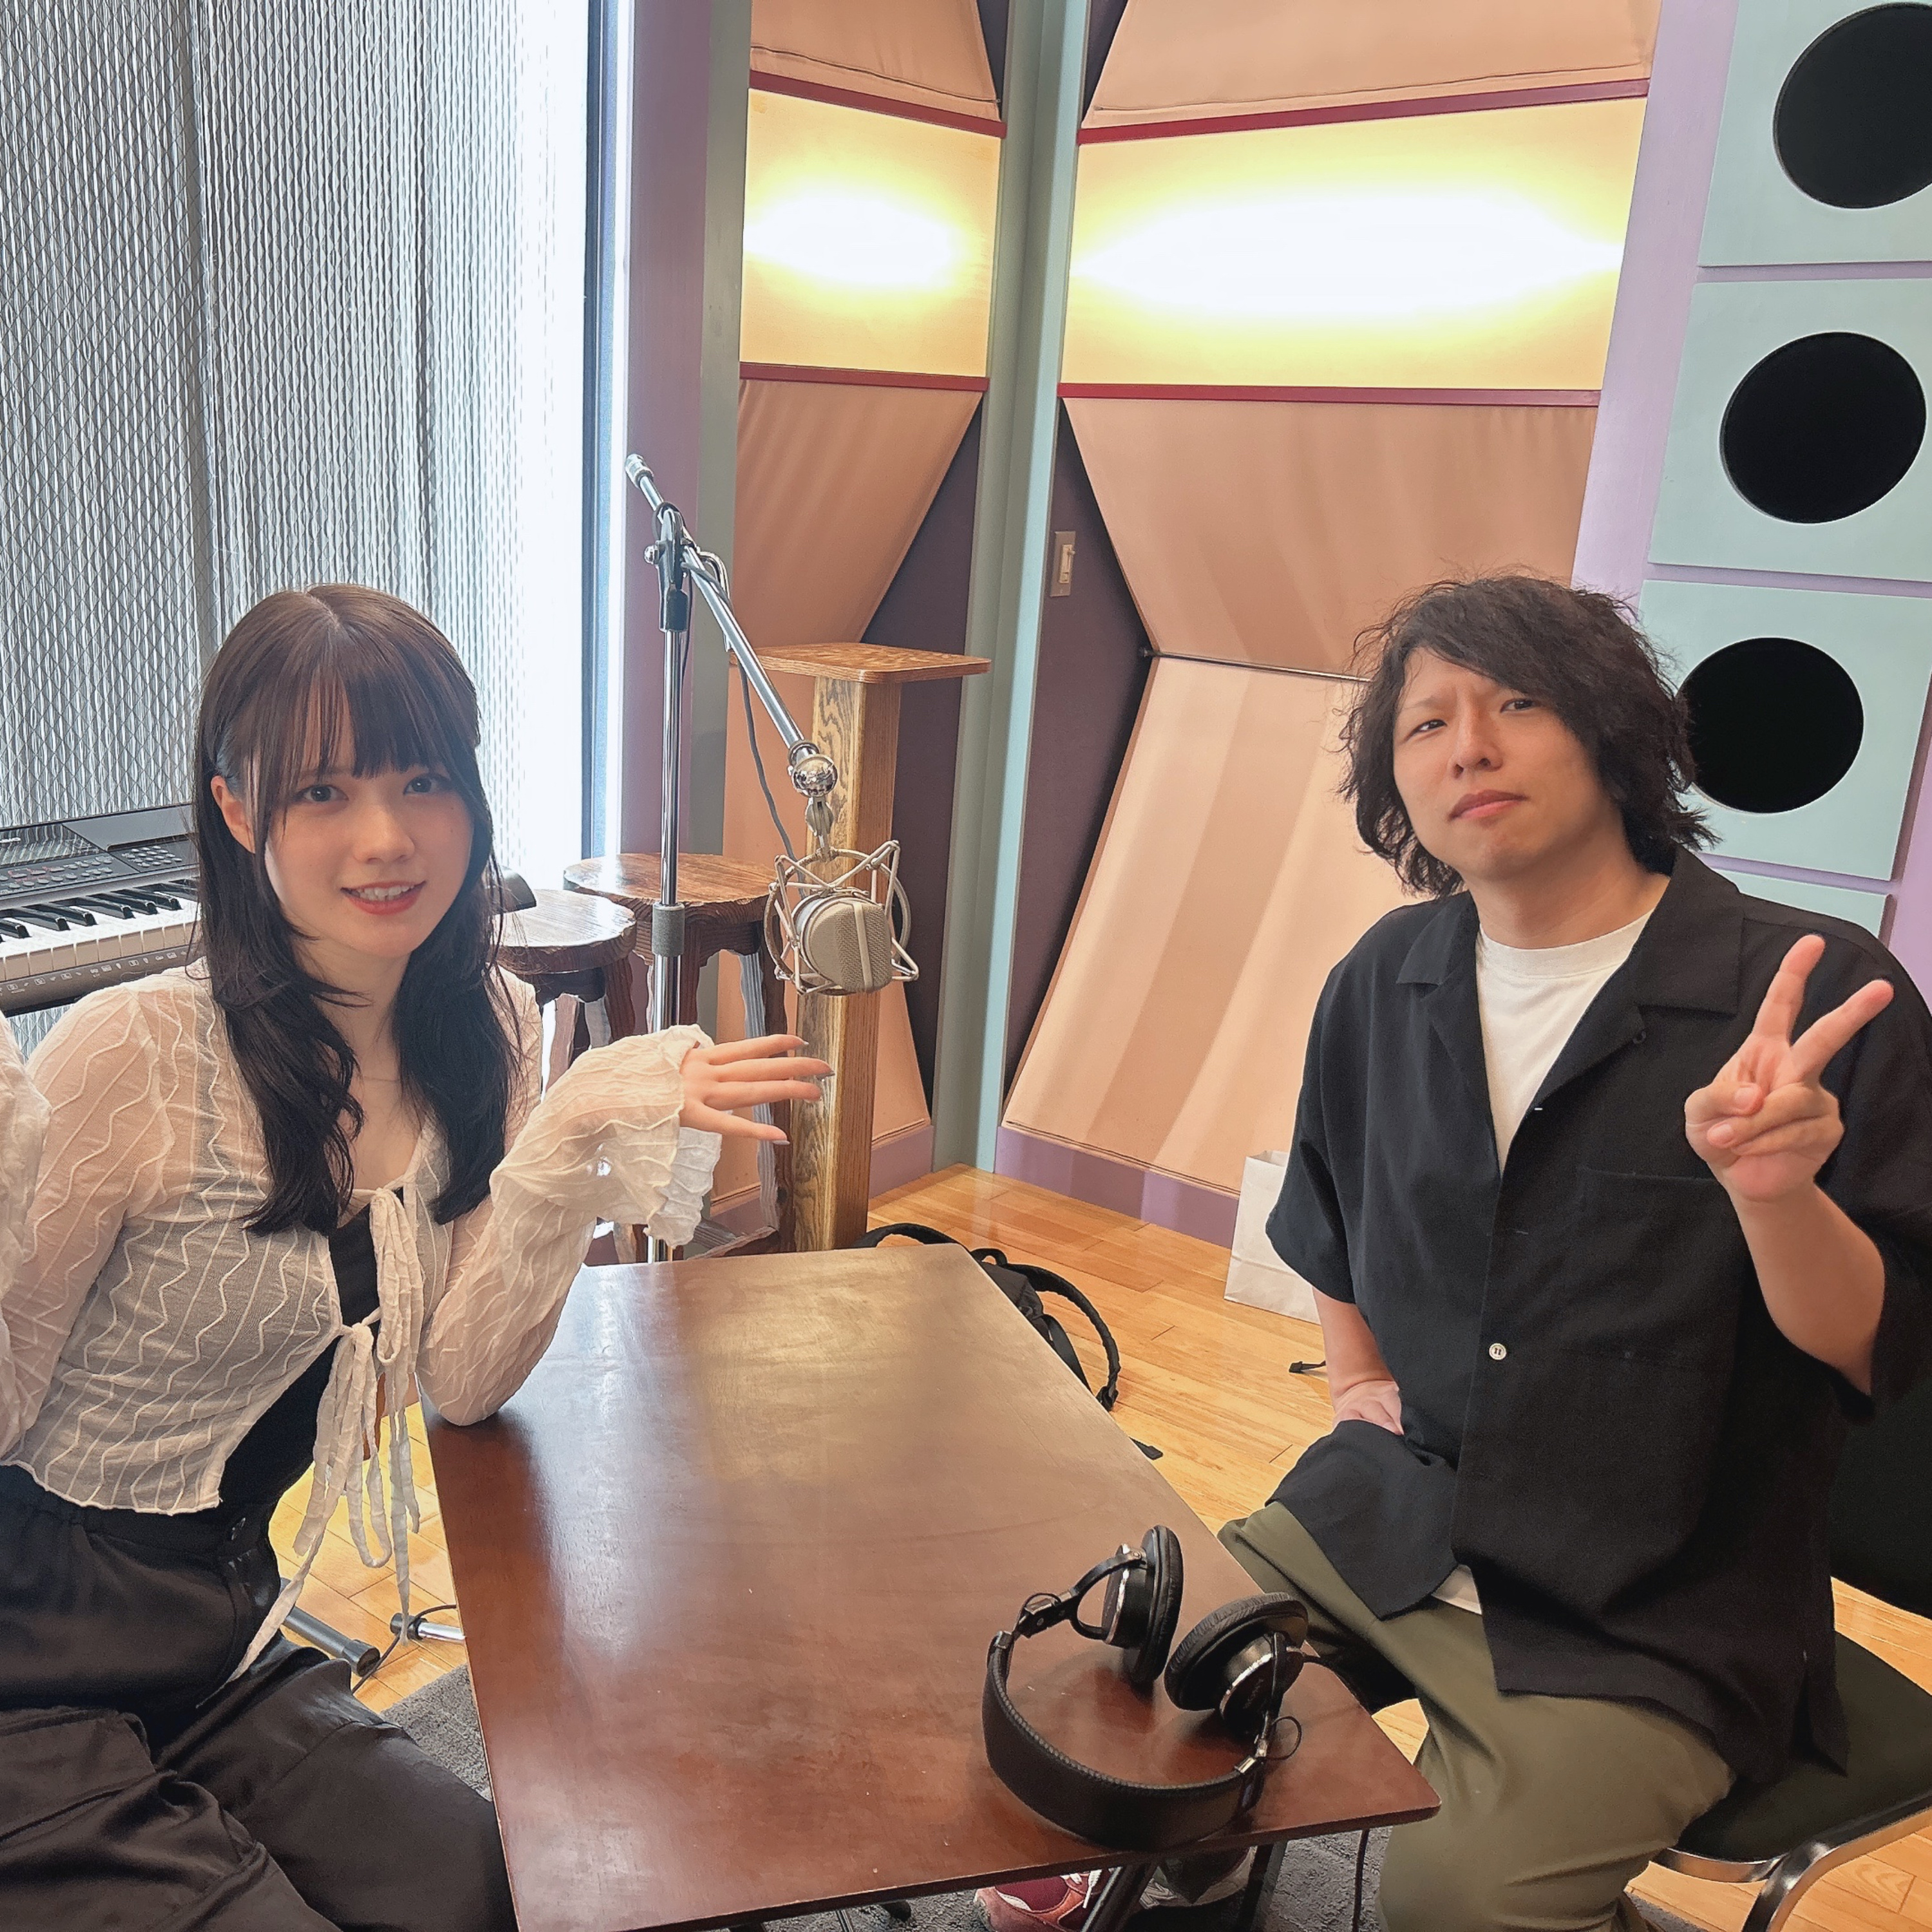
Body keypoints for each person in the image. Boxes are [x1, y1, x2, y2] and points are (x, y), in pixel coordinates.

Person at [0, 584, 829, 1931]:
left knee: (502, 1899)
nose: (386, 838)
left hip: (224, 1646)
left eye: (422, 780)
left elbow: (460, 1380)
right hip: (28, 1673)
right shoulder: (134, 1055)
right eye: (323, 792)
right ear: (236, 811)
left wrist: (564, 1142)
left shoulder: (483, 1026)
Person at [1211, 576, 1932, 1932]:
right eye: (1426, 724)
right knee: (1132, 1696)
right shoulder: (1384, 978)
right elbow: (1326, 1208)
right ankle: (1197, 1878)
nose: (1469, 748)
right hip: (1395, 1512)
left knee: (1451, 1897)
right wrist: (1354, 1378)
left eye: (1519, 703)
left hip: (1655, 1601)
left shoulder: (1811, 994)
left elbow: (1874, 1345)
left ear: (1612, 733)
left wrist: (1778, 1197)